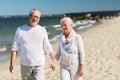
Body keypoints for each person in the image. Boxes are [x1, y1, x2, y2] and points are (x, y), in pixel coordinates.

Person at [9, 8, 56, 80]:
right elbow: (14, 48)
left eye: (37, 17)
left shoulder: (42, 30)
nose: (34, 18)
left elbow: (47, 46)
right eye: (33, 16)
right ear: (29, 16)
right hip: (25, 65)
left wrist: (53, 60)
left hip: (39, 64)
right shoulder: (20, 29)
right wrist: (11, 64)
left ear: (39, 19)